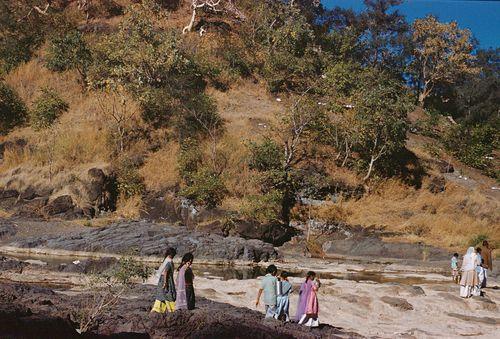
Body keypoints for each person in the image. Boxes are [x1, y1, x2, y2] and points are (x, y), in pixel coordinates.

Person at [151, 247, 177, 313]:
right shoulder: (169, 262)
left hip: (162, 280)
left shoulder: (166, 260)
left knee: (161, 295)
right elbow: (165, 272)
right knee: (169, 294)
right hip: (166, 280)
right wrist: (165, 283)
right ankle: (171, 309)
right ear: (171, 255)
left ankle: (158, 310)